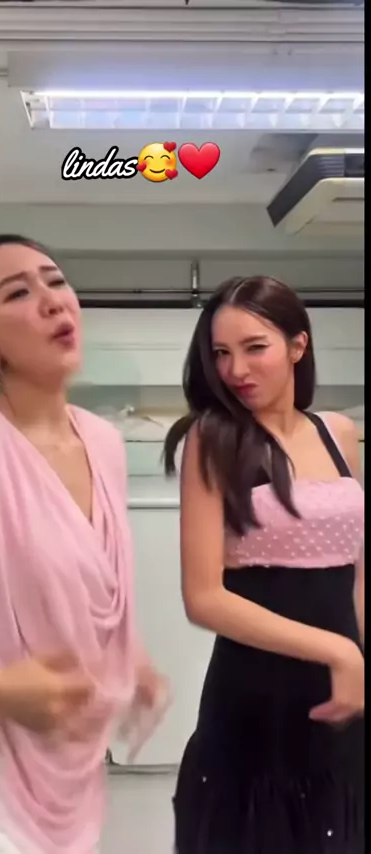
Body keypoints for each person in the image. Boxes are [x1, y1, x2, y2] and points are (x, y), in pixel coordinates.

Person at [0, 234, 167, 854]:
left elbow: (78, 584)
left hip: (72, 785)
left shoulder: (104, 443)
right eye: (18, 293)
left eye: (56, 281)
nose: (52, 301)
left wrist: (132, 662)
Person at [164, 276, 364, 854]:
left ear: (298, 345)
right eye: (221, 353)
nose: (236, 370)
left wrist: (358, 657)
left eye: (255, 348)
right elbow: (204, 597)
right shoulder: (213, 439)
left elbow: (357, 570)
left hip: (345, 694)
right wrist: (338, 651)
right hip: (256, 694)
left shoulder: (338, 433)